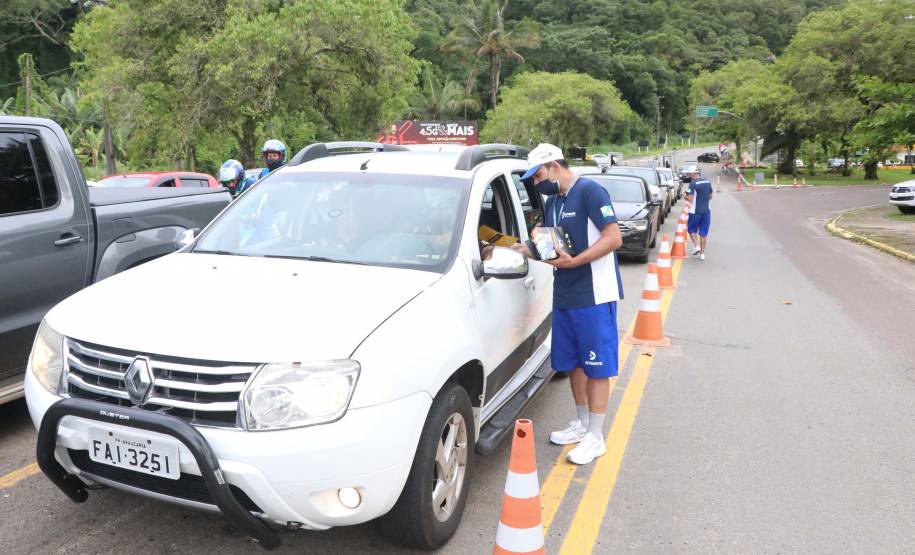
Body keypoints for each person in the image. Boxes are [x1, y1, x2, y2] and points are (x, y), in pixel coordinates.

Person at [513, 143, 624, 465]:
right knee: (574, 363)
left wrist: (578, 262)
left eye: (538, 176)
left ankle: (596, 436)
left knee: (596, 366)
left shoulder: (591, 192)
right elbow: (554, 249)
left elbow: (613, 238)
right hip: (565, 294)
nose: (537, 183)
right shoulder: (554, 201)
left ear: (554, 166)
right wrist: (525, 248)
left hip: (593, 295)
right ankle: (582, 423)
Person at [687, 168, 714, 260]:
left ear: (693, 174)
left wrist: (684, 197)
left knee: (691, 230)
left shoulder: (693, 184)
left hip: (695, 211)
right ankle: (702, 254)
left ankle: (696, 246)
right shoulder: (707, 181)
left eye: (689, 174)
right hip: (706, 211)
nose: (688, 175)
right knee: (703, 234)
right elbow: (710, 196)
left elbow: (690, 199)